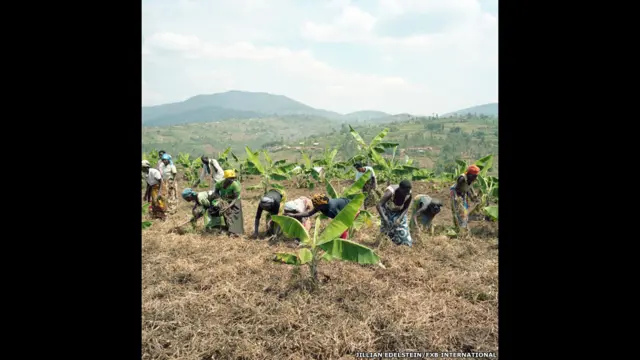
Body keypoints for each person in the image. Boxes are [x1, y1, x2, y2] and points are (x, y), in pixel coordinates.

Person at [290, 193, 356, 239]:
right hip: (344, 207)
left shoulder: (331, 209)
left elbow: (341, 223)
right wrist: (294, 215)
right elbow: (308, 213)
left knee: (342, 227)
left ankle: (342, 241)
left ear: (322, 205)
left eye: (316, 206)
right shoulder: (321, 205)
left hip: (353, 208)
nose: (315, 208)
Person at [376, 180, 413, 246]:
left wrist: (399, 219)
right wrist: (384, 218)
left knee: (404, 233)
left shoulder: (408, 194)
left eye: (408, 191)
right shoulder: (390, 192)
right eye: (405, 192)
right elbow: (379, 205)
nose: (407, 193)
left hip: (399, 212)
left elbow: (406, 208)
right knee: (387, 229)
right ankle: (386, 244)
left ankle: (401, 245)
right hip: (387, 210)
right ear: (400, 189)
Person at [213, 169, 244, 236]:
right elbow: (216, 192)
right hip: (225, 200)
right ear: (226, 178)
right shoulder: (219, 183)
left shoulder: (235, 185)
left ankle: (235, 232)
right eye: (231, 178)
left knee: (235, 214)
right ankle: (229, 229)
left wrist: (228, 206)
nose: (233, 180)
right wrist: (219, 199)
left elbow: (235, 198)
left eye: (234, 178)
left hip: (234, 200)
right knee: (226, 214)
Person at [450, 165, 480, 231]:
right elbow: (458, 189)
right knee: (458, 210)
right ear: (469, 174)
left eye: (476, 176)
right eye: (474, 176)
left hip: (463, 193)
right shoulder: (462, 178)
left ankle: (463, 226)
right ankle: (460, 227)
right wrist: (459, 200)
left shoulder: (472, 179)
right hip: (456, 192)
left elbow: (469, 187)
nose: (475, 177)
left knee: (465, 211)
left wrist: (473, 197)